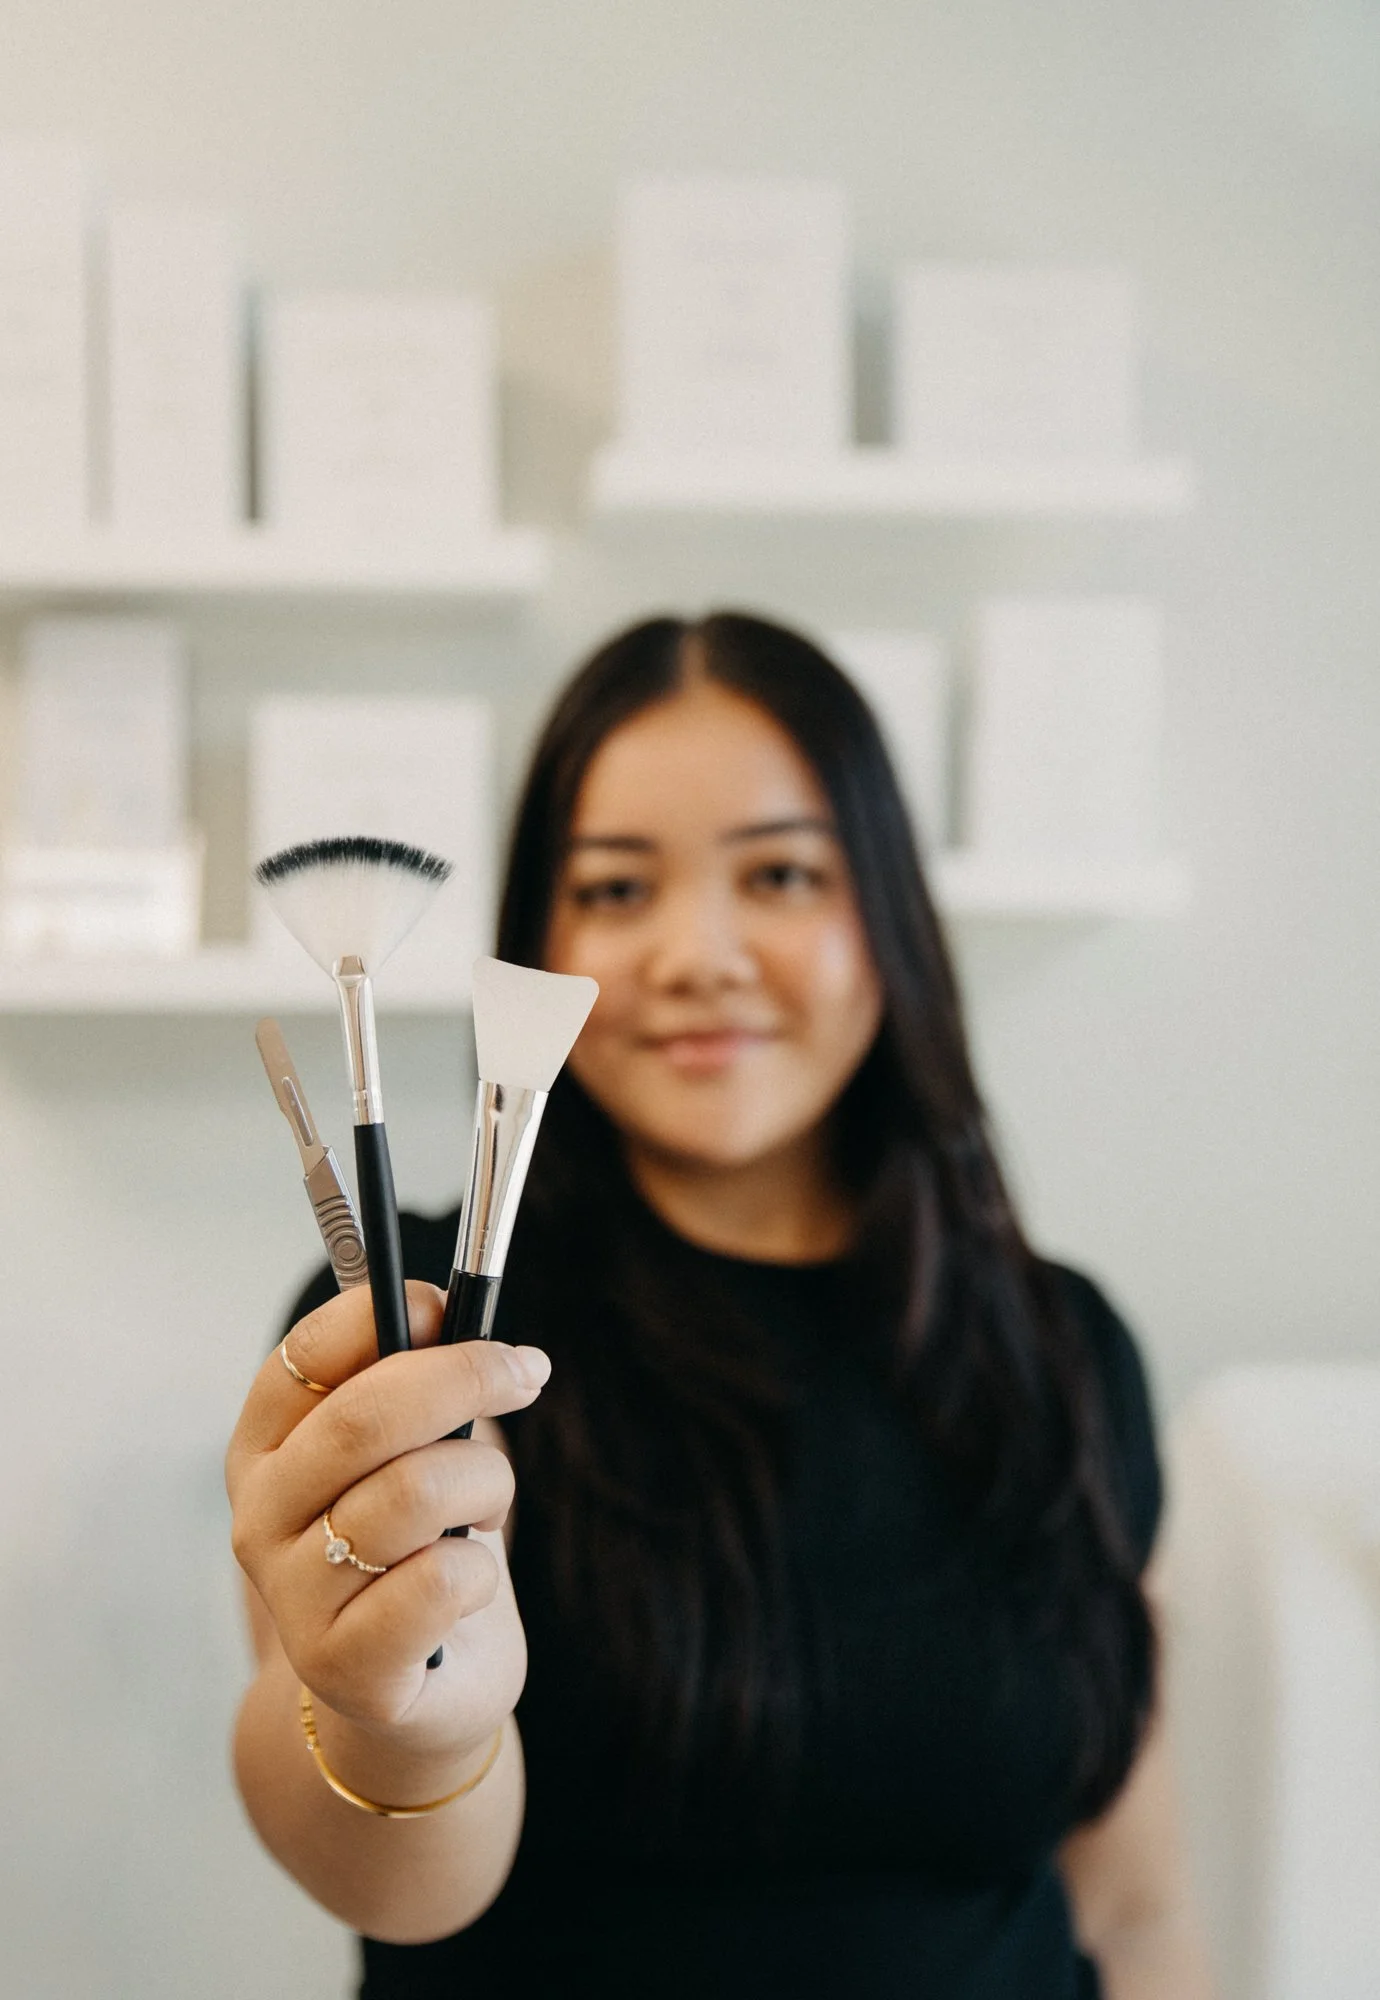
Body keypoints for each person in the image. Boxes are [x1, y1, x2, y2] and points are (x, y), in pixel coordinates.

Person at [227, 611, 1215, 1999]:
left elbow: (1138, 1912)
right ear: (537, 941)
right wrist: (406, 1730)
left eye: (784, 874)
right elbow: (396, 1887)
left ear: (888, 918)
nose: (699, 953)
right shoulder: (421, 1341)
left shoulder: (1062, 1350)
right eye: (618, 892)